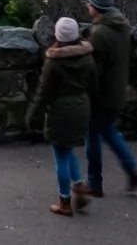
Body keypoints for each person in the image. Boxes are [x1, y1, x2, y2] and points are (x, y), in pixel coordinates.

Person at [76, 0, 137, 196]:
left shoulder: (100, 34)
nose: (87, 6)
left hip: (102, 94)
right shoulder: (122, 27)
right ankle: (131, 169)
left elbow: (93, 68)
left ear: (97, 7)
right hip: (117, 89)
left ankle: (95, 183)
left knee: (93, 136)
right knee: (108, 131)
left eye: (90, 3)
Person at [26, 16, 96, 217]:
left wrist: (32, 115)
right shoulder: (87, 57)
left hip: (60, 111)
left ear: (58, 35)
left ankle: (64, 202)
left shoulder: (54, 62)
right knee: (67, 150)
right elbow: (94, 86)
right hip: (82, 108)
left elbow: (43, 92)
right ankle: (79, 186)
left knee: (61, 156)